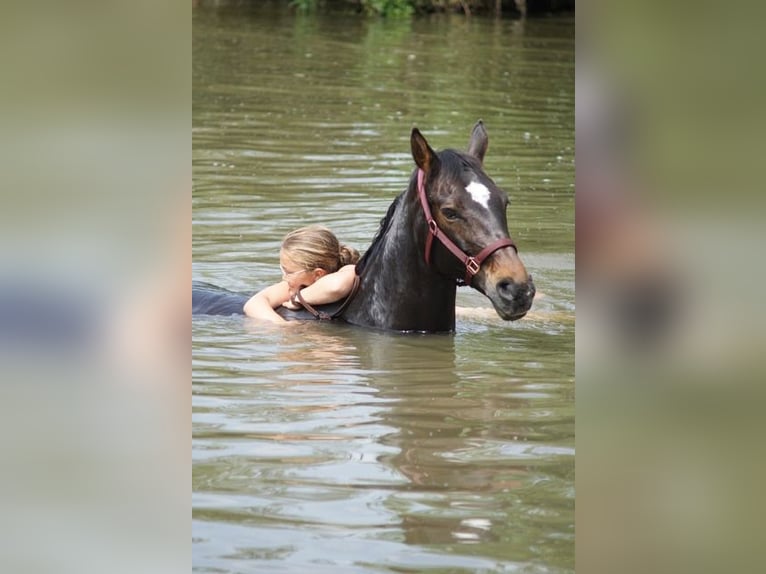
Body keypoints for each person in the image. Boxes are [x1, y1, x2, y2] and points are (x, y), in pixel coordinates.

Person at [243, 225, 359, 323]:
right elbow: (254, 303)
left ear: (318, 274)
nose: (284, 277)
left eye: (289, 272)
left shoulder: (348, 269)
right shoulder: (291, 285)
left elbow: (336, 286)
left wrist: (297, 299)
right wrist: (281, 325)